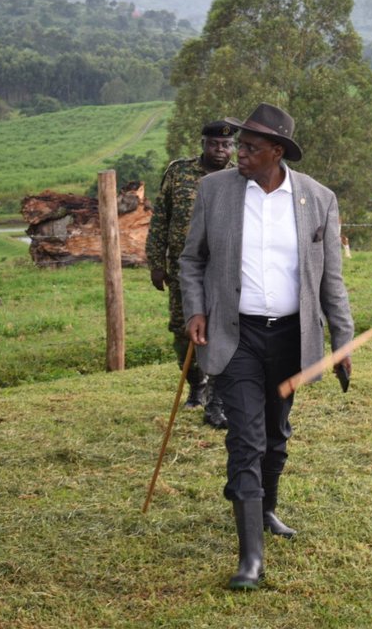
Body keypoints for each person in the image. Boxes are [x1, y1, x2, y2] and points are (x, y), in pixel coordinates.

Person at [179, 102, 354, 591]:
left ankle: (268, 508)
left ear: (277, 152)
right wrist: (196, 309)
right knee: (245, 438)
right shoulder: (215, 191)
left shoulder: (318, 199)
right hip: (237, 336)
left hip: (291, 336)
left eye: (251, 147)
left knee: (276, 434)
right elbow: (192, 260)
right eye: (239, 144)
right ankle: (250, 558)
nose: (239, 153)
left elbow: (331, 281)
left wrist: (342, 341)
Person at [146, 119, 238, 429]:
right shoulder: (180, 172)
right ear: (203, 143)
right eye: (214, 144)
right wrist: (156, 262)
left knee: (222, 333)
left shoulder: (240, 176)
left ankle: (217, 399)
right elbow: (161, 218)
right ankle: (196, 385)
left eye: (226, 145)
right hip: (184, 272)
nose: (220, 150)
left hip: (224, 272)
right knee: (183, 332)